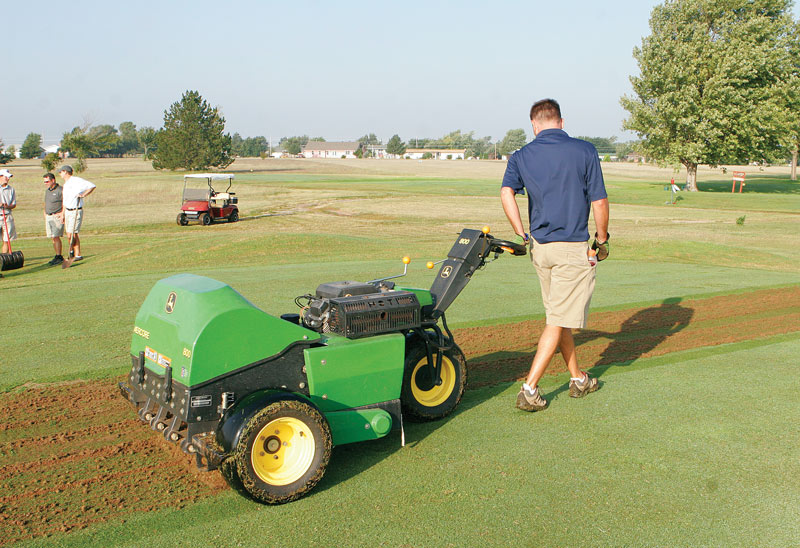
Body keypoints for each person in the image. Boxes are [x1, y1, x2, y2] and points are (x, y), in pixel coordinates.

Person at [500, 99, 610, 412]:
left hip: (540, 249)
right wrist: (601, 240)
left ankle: (578, 379)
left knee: (557, 317)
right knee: (559, 319)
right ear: (560, 121)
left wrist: (521, 233)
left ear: (534, 125)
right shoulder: (585, 151)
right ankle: (529, 388)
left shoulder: (521, 156)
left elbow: (506, 192)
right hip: (572, 247)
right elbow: (599, 202)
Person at [58, 165, 96, 261]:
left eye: (61, 172)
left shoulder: (76, 180)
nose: (60, 174)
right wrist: (62, 213)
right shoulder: (66, 184)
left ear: (65, 172)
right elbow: (65, 201)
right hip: (68, 211)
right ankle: (73, 253)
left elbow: (92, 186)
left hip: (76, 210)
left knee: (73, 234)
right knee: (69, 234)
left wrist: (83, 194)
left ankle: (77, 254)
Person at [43, 172, 65, 265]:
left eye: (47, 181)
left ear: (53, 180)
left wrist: (62, 213)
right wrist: (45, 213)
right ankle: (57, 255)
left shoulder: (60, 190)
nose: (46, 183)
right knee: (52, 237)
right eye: (45, 182)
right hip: (49, 216)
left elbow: (65, 202)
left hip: (57, 215)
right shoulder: (47, 191)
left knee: (56, 236)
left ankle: (59, 256)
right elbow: (46, 203)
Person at [0, 168, 17, 255]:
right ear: (1, 176)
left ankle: (3, 258)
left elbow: (14, 204)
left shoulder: (11, 189)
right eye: (6, 177)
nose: (8, 179)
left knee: (7, 239)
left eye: (8, 177)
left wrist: (7, 206)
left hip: (7, 215)